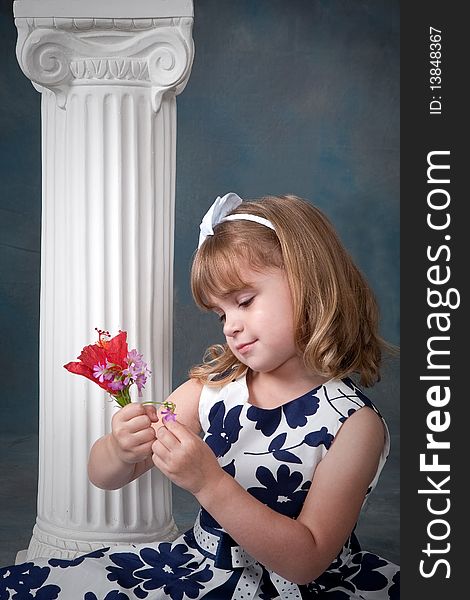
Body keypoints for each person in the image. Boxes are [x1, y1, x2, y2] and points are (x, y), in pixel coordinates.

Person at [0, 193, 400, 599]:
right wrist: (120, 449)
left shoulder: (353, 424)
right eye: (221, 314)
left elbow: (306, 560)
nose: (230, 326)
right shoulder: (214, 388)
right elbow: (104, 477)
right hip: (202, 568)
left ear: (310, 282)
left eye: (244, 301)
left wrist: (209, 483)